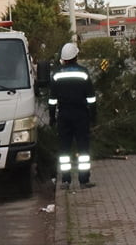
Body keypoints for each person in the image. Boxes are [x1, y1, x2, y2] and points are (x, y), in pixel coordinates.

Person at [48, 41, 97, 190]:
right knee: (83, 149)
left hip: (64, 115)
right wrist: (93, 117)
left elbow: (52, 100)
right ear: (76, 56)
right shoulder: (83, 72)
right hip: (81, 115)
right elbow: (91, 98)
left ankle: (66, 181)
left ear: (63, 58)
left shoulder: (56, 74)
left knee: (64, 150)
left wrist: (52, 118)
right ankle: (83, 180)